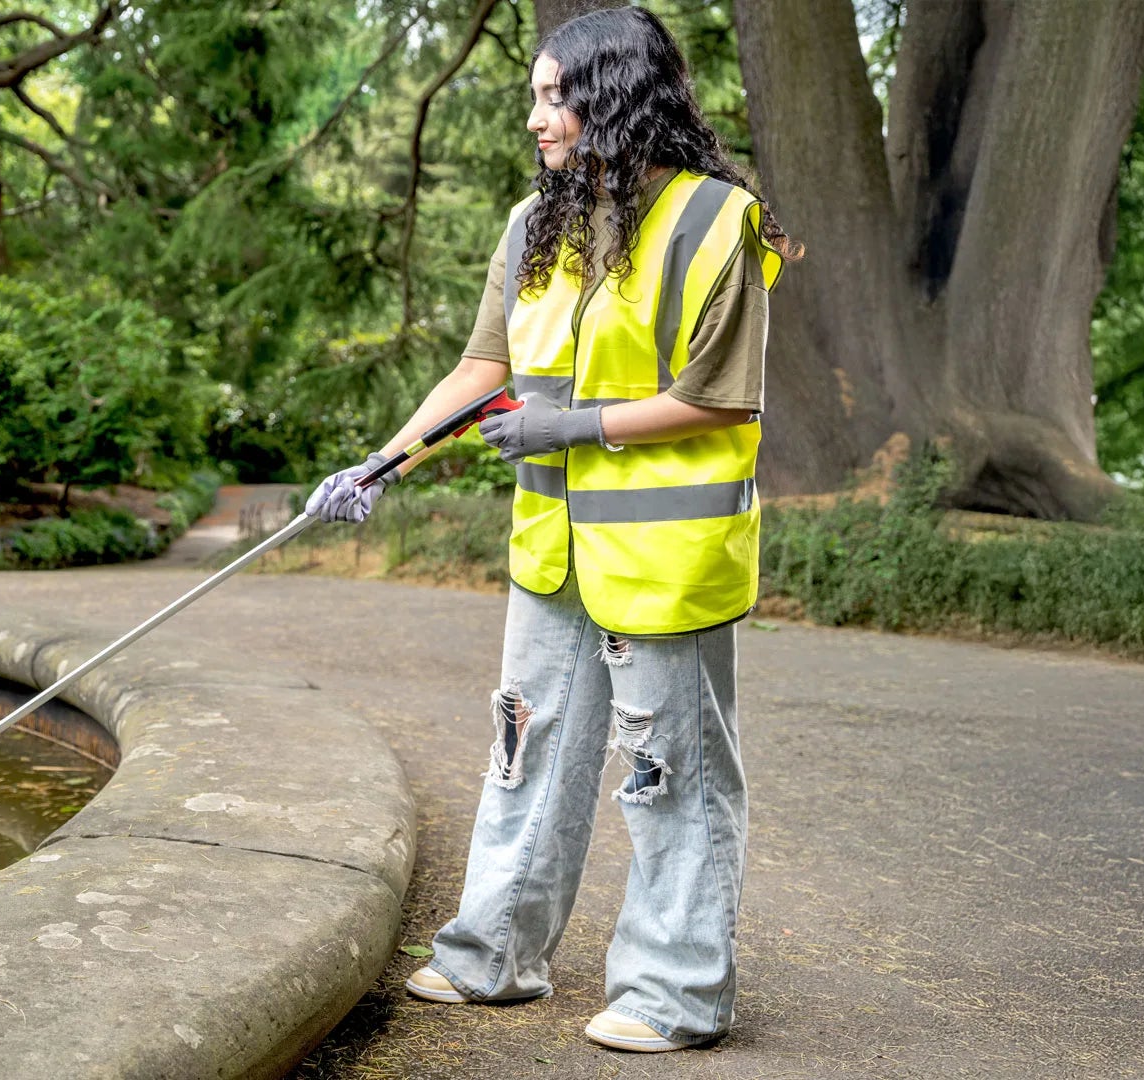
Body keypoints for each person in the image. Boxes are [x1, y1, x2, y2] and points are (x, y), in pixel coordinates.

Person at [305, 7, 799, 1053]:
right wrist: (385, 460)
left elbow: (723, 398)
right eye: (532, 96)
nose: (535, 117)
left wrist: (568, 425)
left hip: (666, 557)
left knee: (673, 773)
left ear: (612, 94)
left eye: (551, 96)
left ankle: (675, 993)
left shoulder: (721, 223)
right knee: (526, 749)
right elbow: (482, 372)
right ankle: (495, 958)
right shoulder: (536, 226)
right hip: (553, 548)